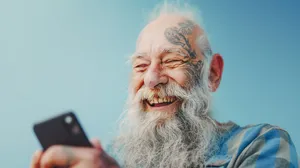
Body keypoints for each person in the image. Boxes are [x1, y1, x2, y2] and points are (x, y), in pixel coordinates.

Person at [30, 2, 299, 168]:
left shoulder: (261, 144)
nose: (151, 78)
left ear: (213, 73)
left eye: (171, 60)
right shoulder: (115, 157)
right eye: (140, 65)